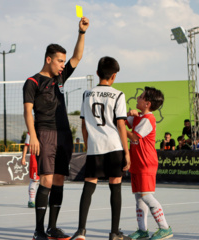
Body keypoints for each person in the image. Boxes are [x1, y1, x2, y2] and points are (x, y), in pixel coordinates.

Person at [23, 16, 89, 240]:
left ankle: (52, 227)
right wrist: (32, 136)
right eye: (60, 61)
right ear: (48, 59)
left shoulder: (61, 77)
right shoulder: (32, 82)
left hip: (64, 135)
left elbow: (77, 56)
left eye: (63, 61)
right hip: (45, 133)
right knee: (47, 180)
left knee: (59, 180)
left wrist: (81, 33)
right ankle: (38, 230)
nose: (63, 64)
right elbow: (27, 111)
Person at [70, 56, 131, 240]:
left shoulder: (87, 94)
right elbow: (121, 125)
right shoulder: (118, 95)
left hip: (95, 147)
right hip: (114, 146)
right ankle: (114, 233)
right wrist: (126, 152)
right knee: (116, 187)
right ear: (114, 76)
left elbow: (83, 124)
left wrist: (89, 145)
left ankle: (81, 230)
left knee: (88, 186)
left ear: (97, 73)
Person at [126, 87, 173, 240]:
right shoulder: (140, 116)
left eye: (140, 96)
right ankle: (142, 230)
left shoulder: (148, 119)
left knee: (146, 196)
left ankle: (165, 228)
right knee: (139, 197)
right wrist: (126, 115)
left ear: (147, 103)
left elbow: (133, 137)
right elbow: (126, 120)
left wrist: (120, 125)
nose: (137, 98)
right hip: (137, 162)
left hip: (146, 162)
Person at [21, 132, 40, 208]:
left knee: (47, 179)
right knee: (34, 180)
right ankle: (31, 201)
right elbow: (26, 146)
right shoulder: (30, 133)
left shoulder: (46, 129)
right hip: (35, 158)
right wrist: (23, 157)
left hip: (45, 157)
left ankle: (48, 199)